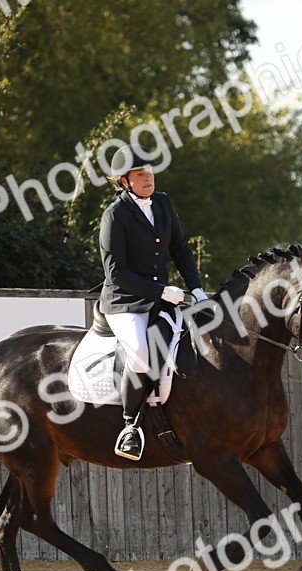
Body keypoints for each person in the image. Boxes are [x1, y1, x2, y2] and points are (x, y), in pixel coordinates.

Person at [99, 144, 207, 460]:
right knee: (140, 353)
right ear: (124, 181)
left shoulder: (162, 203)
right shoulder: (115, 216)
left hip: (162, 299)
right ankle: (130, 427)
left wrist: (197, 290)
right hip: (126, 302)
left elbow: (181, 250)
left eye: (150, 172)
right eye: (140, 175)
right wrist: (161, 292)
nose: (148, 178)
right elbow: (116, 273)